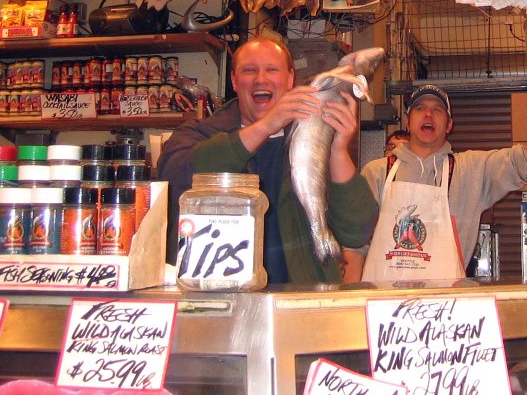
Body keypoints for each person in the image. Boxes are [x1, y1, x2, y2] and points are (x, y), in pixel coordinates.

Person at [157, 36, 378, 284]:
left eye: (272, 70)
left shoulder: (312, 142)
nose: (260, 79)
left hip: (299, 303)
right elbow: (175, 181)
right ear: (234, 81)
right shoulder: (198, 133)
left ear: (290, 79)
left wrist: (338, 150)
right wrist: (267, 125)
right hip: (219, 298)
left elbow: (357, 231)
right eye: (249, 70)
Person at [360, 55, 527, 282]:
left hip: (449, 308)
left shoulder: (471, 170)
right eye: (420, 108)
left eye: (438, 110)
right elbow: (354, 247)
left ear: (449, 125)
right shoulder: (376, 173)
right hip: (383, 308)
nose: (428, 114)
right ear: (407, 121)